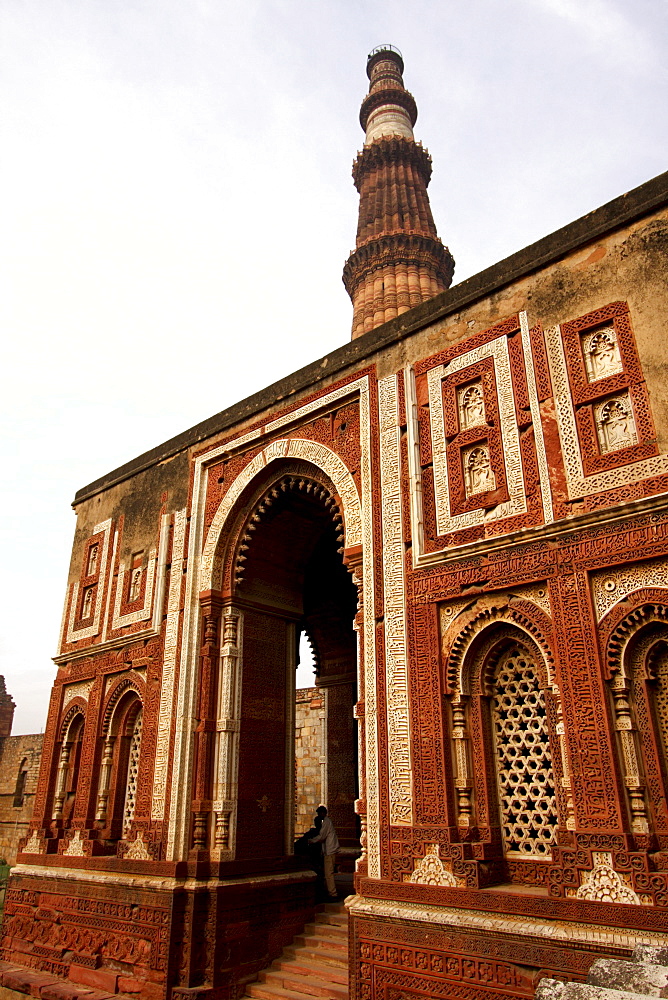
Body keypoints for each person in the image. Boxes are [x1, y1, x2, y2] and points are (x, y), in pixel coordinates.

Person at [309, 805, 340, 900]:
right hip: (328, 850)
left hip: (330, 851)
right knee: (327, 873)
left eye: (319, 813)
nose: (319, 815)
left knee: (328, 874)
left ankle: (333, 894)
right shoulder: (326, 822)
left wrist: (311, 841)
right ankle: (330, 892)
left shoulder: (327, 822)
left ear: (323, 813)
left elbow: (322, 836)